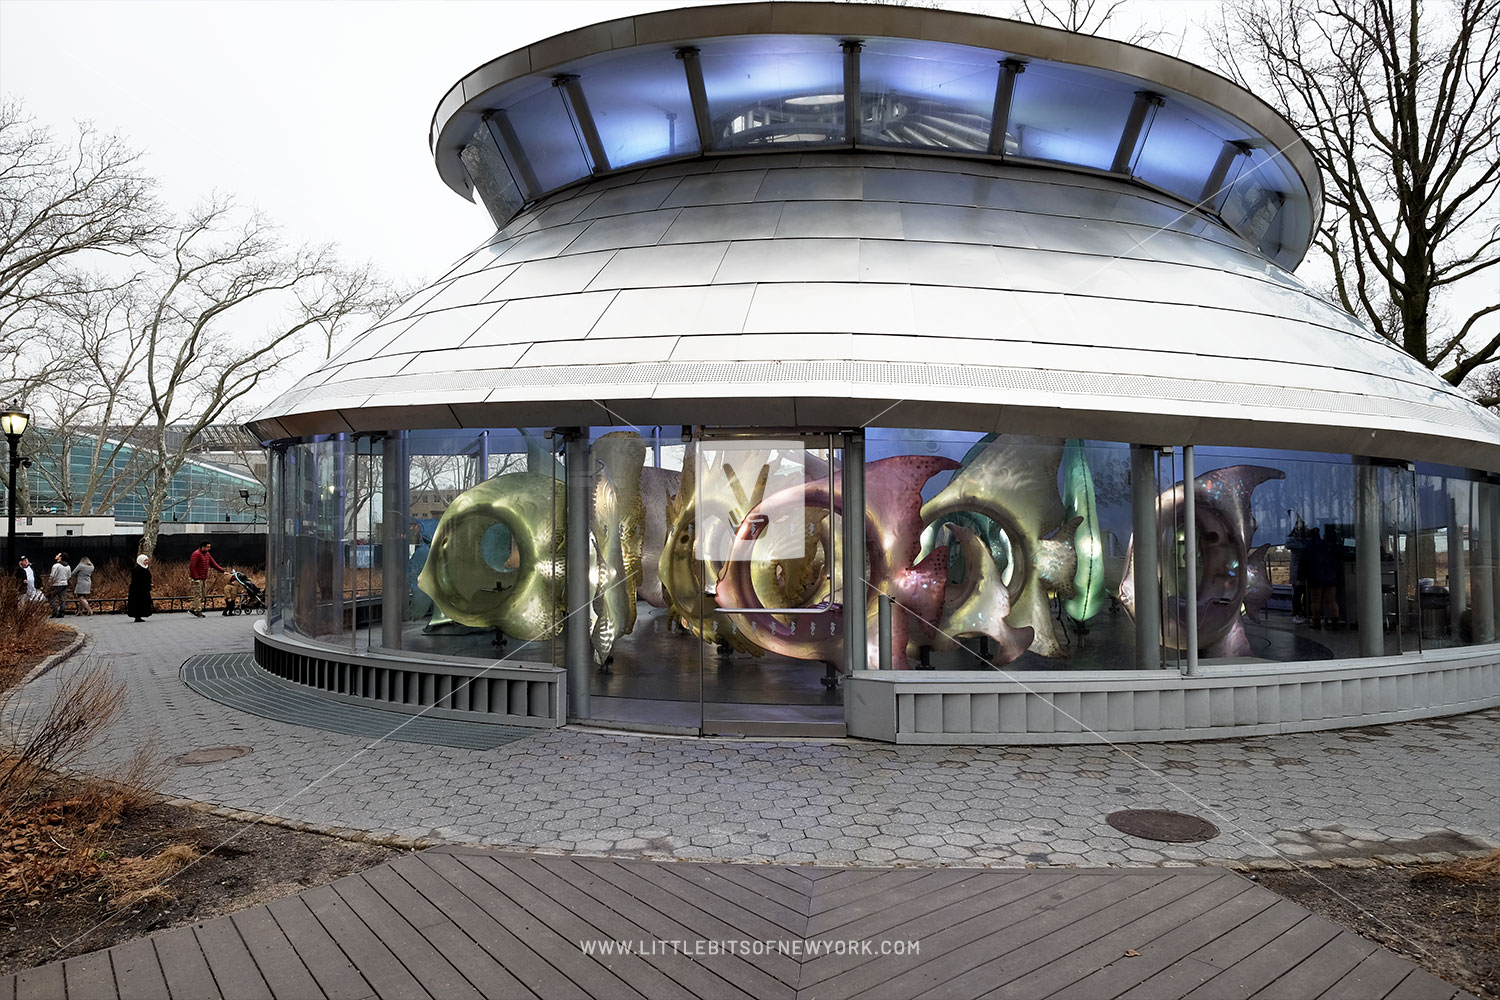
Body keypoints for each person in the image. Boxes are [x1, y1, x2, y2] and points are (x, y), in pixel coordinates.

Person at [188, 541, 226, 618]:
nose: (209, 548)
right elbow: (192, 567)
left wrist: (222, 571)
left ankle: (192, 608)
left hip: (203, 577)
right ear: (203, 547)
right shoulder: (196, 554)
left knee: (202, 595)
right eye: (208, 547)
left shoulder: (207, 554)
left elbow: (213, 563)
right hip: (197, 579)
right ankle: (198, 611)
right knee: (197, 594)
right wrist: (196, 578)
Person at [127, 553, 153, 623]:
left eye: (147, 560)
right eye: (145, 560)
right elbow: (137, 580)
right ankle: (137, 616)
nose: (147, 562)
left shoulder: (145, 568)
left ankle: (140, 616)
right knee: (138, 603)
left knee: (143, 603)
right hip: (137, 590)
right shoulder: (137, 569)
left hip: (144, 589)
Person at [46, 552, 71, 617]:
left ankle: (55, 611)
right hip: (64, 584)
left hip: (56, 584)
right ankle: (62, 611)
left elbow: (52, 576)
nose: (56, 555)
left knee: (50, 597)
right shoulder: (68, 566)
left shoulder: (56, 566)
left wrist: (49, 583)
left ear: (60, 557)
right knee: (62, 598)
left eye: (58, 555)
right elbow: (69, 576)